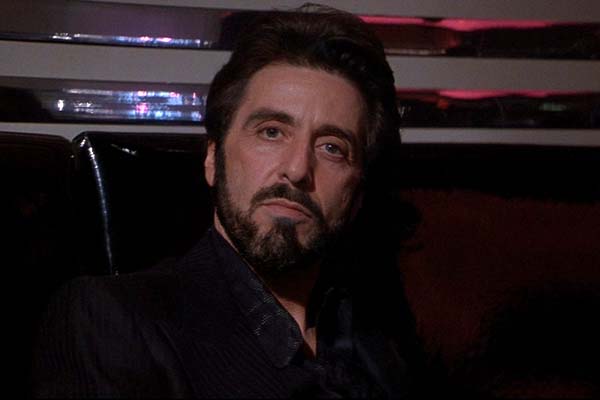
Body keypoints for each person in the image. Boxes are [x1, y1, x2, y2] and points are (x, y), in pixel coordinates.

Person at [32, 5, 412, 398]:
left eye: (332, 147)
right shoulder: (114, 320)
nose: (298, 169)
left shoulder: (381, 343)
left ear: (358, 194)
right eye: (271, 132)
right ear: (214, 158)